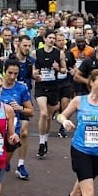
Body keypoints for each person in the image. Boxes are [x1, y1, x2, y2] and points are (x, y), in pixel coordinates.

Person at [33, 31, 66, 159]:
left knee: (49, 116)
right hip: (41, 86)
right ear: (44, 39)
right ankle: (41, 143)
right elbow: (33, 70)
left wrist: (58, 68)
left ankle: (45, 139)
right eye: (50, 38)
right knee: (43, 113)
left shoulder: (59, 53)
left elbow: (64, 70)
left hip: (53, 86)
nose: (52, 40)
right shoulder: (36, 53)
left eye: (54, 38)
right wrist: (35, 75)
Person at [0, 58, 34, 180]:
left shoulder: (21, 88)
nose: (12, 76)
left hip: (12, 131)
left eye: (16, 73)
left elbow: (31, 112)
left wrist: (20, 108)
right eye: (10, 73)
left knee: (2, 165)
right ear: (4, 71)